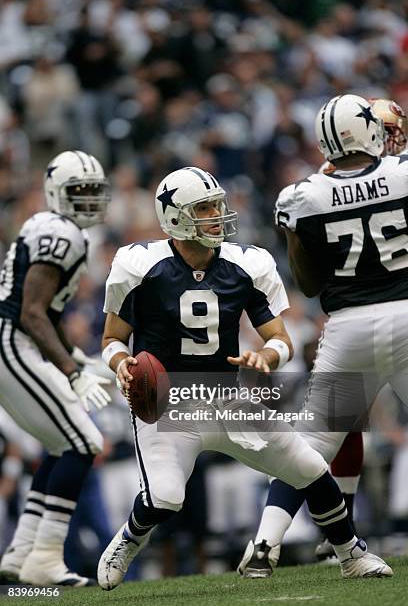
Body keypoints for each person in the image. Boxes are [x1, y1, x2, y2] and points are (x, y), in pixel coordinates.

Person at [97, 165, 391, 590]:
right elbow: (111, 339)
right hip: (167, 405)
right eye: (205, 209)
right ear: (176, 218)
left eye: (217, 206)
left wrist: (267, 356)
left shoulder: (245, 263)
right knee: (166, 497)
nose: (217, 216)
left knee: (309, 466)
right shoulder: (140, 265)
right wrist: (121, 362)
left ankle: (350, 554)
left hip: (227, 398)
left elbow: (280, 338)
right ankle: (128, 539)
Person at [238, 93, 408, 578]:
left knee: (312, 445)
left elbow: (309, 284)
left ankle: (265, 544)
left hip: (349, 326)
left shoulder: (301, 196)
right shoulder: (402, 173)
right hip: (405, 313)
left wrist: (295, 233)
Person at [0, 151, 112, 587]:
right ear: (56, 193)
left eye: (92, 191)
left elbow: (47, 311)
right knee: (85, 441)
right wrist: (71, 371)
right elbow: (31, 313)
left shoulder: (50, 226)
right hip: (14, 340)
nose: (87, 200)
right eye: (77, 191)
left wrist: (75, 356)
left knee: (62, 444)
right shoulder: (62, 233)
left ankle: (22, 553)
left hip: (15, 339)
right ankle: (45, 560)